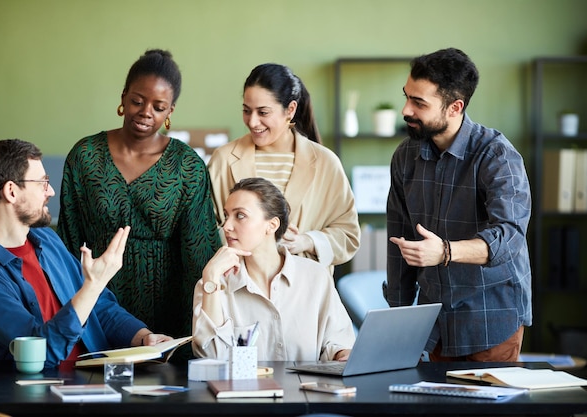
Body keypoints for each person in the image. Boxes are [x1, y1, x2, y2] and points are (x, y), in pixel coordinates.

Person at [57, 49, 220, 342]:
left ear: (170, 112)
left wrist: (197, 331)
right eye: (137, 101)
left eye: (159, 107)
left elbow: (200, 252)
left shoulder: (187, 165)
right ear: (123, 98)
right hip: (96, 304)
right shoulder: (85, 156)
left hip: (169, 313)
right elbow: (69, 240)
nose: (146, 112)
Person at [0, 139, 173, 368]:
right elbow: (39, 353)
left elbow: (97, 305)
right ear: (11, 192)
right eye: (42, 182)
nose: (51, 191)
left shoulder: (47, 240)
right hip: (41, 396)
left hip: (96, 380)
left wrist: (143, 338)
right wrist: (93, 285)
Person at [386, 48, 532, 362]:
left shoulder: (496, 155)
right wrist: (397, 318)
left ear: (455, 107)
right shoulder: (404, 157)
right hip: (432, 320)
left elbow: (510, 237)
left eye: (419, 103)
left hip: (491, 316)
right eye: (407, 97)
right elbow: (398, 235)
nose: (405, 110)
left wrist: (446, 252)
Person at [208, 63, 360, 270]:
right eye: (246, 110)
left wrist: (308, 241)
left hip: (305, 289)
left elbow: (348, 235)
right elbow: (204, 231)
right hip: (239, 287)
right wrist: (253, 238)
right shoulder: (223, 159)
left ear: (290, 110)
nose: (252, 122)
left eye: (263, 112)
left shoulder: (326, 162)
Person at [192, 177, 354, 361]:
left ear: (272, 225)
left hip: (307, 389)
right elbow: (210, 357)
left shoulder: (315, 276)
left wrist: (343, 354)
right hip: (243, 390)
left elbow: (339, 341)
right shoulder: (213, 284)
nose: (226, 226)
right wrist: (211, 277)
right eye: (226, 216)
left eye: (240, 215)